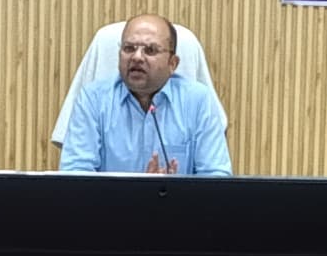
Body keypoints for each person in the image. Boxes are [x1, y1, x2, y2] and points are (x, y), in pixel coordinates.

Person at [55, 15, 230, 176]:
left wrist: (174, 191)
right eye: (129, 48)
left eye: (150, 50)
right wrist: (140, 191)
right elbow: (75, 176)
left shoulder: (198, 101)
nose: (137, 57)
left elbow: (216, 176)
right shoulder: (93, 100)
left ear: (173, 64)